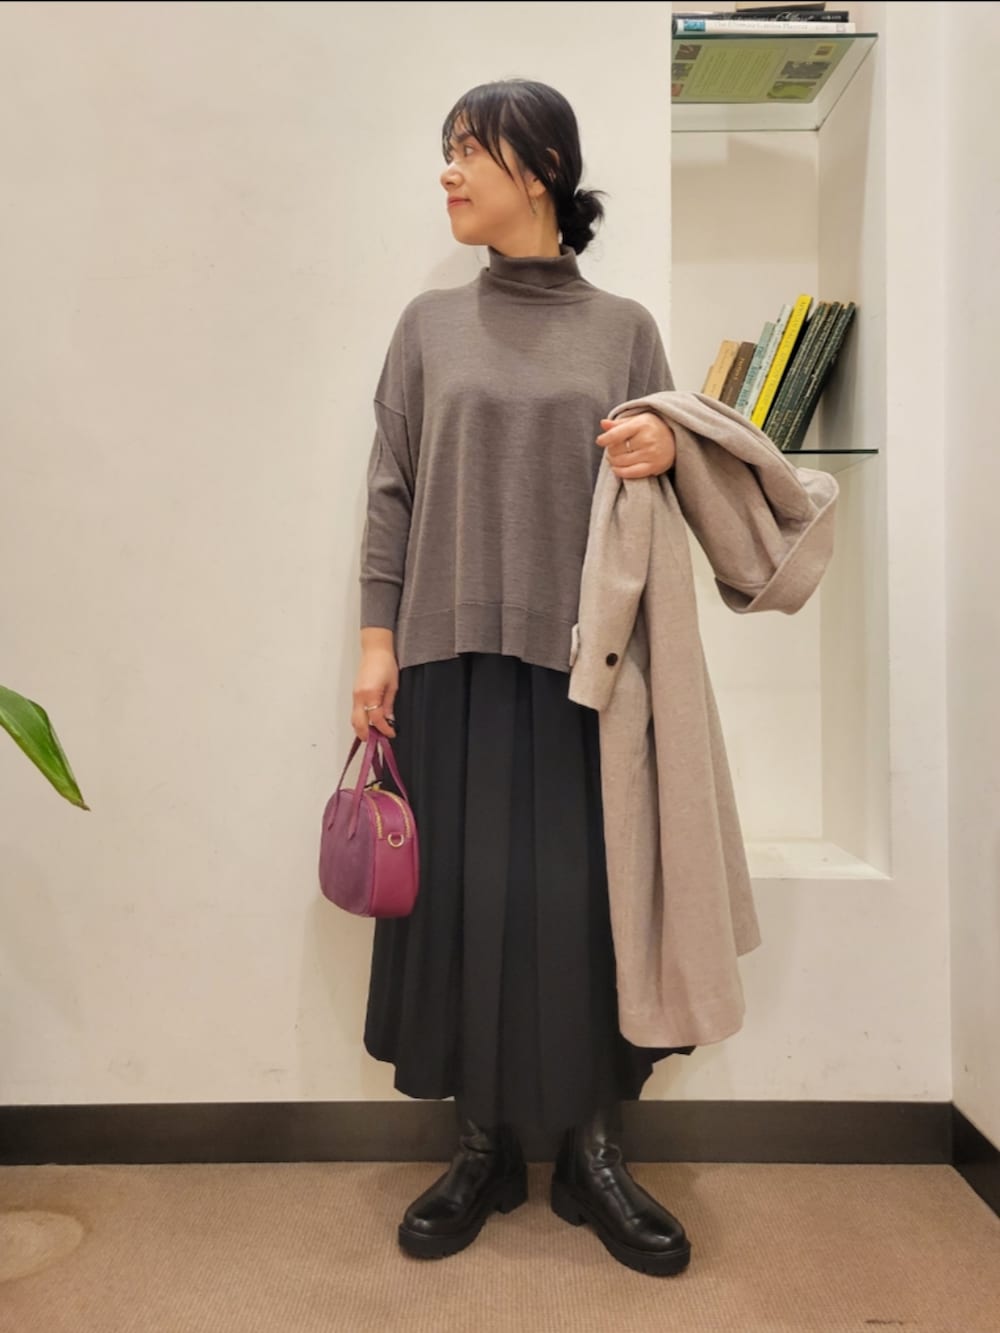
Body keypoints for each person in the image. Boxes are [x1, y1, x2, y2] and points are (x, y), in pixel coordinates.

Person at [352, 79, 693, 1278]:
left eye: (467, 151)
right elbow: (391, 487)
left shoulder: (624, 330)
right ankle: (483, 1146)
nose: (446, 173)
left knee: (589, 904)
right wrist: (375, 642)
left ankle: (594, 1151)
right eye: (443, 151)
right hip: (445, 658)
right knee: (464, 904)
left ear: (540, 167)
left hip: (585, 666)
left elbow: (670, 493)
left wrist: (666, 443)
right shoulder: (427, 326)